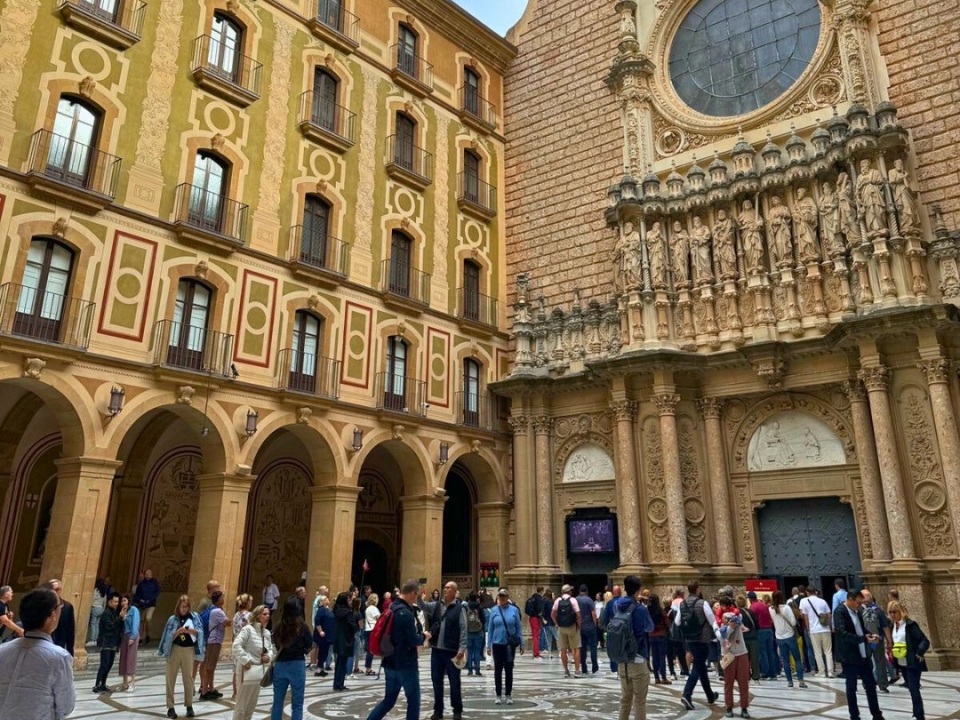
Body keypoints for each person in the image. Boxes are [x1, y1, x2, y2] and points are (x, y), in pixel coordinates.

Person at [0, 586, 75, 719]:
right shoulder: (59, 657)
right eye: (59, 606)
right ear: (52, 615)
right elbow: (66, 706)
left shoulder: (2, 650)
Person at [365, 579, 430, 720]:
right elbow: (413, 640)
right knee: (413, 700)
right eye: (416, 595)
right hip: (406, 663)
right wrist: (424, 636)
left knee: (388, 700)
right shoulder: (405, 613)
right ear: (412, 593)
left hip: (389, 662)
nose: (416, 599)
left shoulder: (392, 607)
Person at [836, 590, 884, 720]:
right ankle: (854, 715)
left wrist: (871, 635)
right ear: (850, 600)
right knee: (851, 687)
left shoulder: (857, 611)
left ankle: (877, 714)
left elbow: (861, 629)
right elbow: (842, 633)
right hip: (850, 656)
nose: (860, 605)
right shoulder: (840, 612)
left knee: (870, 685)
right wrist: (862, 639)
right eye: (858, 602)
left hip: (863, 655)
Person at [675, 581, 722, 711]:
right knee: (698, 665)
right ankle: (687, 694)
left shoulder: (682, 604)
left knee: (701, 667)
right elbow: (712, 620)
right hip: (702, 638)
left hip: (689, 638)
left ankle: (710, 695)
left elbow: (677, 622)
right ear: (697, 589)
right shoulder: (702, 603)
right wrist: (719, 635)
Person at [158, 594, 205, 719]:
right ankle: (170, 707)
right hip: (175, 649)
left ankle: (189, 705)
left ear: (189, 607)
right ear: (178, 607)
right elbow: (167, 637)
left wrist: (190, 631)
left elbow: (200, 633)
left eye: (185, 607)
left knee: (188, 679)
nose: (183, 609)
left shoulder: (194, 617)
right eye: (181, 607)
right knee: (170, 679)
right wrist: (177, 632)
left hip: (189, 649)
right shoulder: (172, 619)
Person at [429, 581, 467, 720]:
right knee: (436, 681)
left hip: (451, 650)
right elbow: (423, 606)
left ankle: (457, 710)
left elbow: (463, 629)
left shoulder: (460, 608)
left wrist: (462, 648)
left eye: (448, 588)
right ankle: (438, 710)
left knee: (454, 682)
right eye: (444, 587)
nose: (445, 589)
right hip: (436, 650)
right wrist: (419, 595)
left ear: (454, 591)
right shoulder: (437, 605)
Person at [271, 597, 312, 720]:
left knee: (277, 702)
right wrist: (303, 650)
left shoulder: (278, 626)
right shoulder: (302, 626)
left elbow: (277, 644)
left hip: (280, 664)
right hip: (297, 664)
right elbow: (309, 643)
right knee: (297, 704)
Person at [887, 600, 928, 720]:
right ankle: (917, 713)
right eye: (890, 612)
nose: (893, 614)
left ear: (901, 611)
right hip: (901, 662)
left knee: (914, 689)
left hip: (912, 661)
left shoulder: (910, 625)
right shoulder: (892, 626)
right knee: (911, 688)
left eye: (895, 612)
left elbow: (924, 640)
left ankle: (919, 715)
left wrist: (919, 652)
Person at [233, 604, 274, 720]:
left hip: (259, 672)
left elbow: (270, 649)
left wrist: (268, 657)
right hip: (246, 671)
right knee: (241, 706)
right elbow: (236, 646)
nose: (267, 616)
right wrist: (246, 660)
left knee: (251, 705)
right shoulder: (248, 630)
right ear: (257, 616)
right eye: (264, 614)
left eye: (268, 614)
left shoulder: (266, 633)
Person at [486, 588, 523, 704]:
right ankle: (498, 694)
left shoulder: (514, 610)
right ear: (498, 598)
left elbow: (518, 628)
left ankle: (508, 694)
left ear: (507, 598)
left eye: (504, 596)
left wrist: (521, 643)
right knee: (498, 670)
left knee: (508, 669)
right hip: (497, 644)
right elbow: (490, 629)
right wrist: (488, 645)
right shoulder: (494, 611)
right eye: (500, 596)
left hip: (509, 645)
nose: (502, 598)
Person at [718, 596, 750, 718]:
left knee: (743, 682)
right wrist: (729, 627)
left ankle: (744, 707)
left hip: (741, 652)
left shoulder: (737, 616)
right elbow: (721, 636)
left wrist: (734, 623)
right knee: (728, 681)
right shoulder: (718, 621)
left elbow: (741, 625)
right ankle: (729, 706)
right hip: (727, 653)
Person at [770, 591, 807, 688]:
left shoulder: (770, 609)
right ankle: (801, 681)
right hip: (790, 636)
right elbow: (793, 622)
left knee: (786, 660)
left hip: (779, 637)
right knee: (797, 658)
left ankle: (789, 681)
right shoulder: (786, 608)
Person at [200, 590, 230, 700]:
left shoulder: (213, 609)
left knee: (211, 666)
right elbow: (227, 622)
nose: (223, 599)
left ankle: (211, 689)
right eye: (222, 598)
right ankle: (204, 691)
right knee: (209, 667)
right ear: (218, 600)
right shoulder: (217, 611)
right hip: (214, 641)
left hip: (212, 641)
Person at [861, 590, 892, 692]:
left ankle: (866, 683)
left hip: (865, 641)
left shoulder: (859, 611)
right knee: (880, 662)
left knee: (866, 663)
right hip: (878, 640)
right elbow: (885, 627)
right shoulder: (878, 611)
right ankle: (883, 685)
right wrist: (889, 641)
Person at [799, 587, 833, 677]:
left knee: (817, 651)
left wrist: (808, 628)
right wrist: (829, 626)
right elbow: (829, 615)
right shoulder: (823, 601)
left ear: (807, 592)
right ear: (815, 592)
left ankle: (821, 672)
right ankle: (830, 671)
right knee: (828, 651)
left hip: (814, 630)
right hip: (825, 629)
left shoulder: (804, 601)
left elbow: (805, 616)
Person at [93, 591, 123, 694]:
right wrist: (120, 618)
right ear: (110, 602)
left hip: (113, 643)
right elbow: (109, 626)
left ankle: (103, 684)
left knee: (109, 665)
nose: (117, 604)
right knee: (104, 665)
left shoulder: (114, 613)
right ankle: (97, 685)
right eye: (115, 602)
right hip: (106, 643)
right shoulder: (106, 613)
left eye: (117, 602)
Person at [552, 583, 582, 678]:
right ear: (569, 592)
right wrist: (578, 625)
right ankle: (577, 671)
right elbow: (578, 614)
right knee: (576, 648)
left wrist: (556, 623)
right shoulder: (573, 600)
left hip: (561, 628)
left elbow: (552, 614)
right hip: (572, 627)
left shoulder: (557, 600)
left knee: (563, 649)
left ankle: (566, 670)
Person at [747, 592, 776, 680]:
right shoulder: (764, 605)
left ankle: (765, 672)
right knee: (770, 652)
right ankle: (773, 672)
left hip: (760, 630)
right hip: (769, 630)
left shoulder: (752, 607)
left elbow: (753, 621)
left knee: (762, 653)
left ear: (750, 599)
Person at [333, 591, 356, 690]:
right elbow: (352, 626)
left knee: (339, 662)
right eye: (349, 599)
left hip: (338, 639)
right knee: (342, 663)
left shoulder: (336, 611)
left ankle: (337, 683)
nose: (350, 601)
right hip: (346, 639)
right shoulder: (347, 613)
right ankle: (339, 684)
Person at [232, 594, 253, 699]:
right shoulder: (249, 616)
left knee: (236, 670)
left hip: (236, 645)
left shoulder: (236, 615)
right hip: (245, 646)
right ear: (248, 603)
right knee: (245, 669)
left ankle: (235, 693)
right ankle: (242, 694)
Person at [46, 580, 75, 657]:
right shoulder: (44, 605)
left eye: (57, 589)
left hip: (60, 643)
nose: (55, 592)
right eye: (53, 589)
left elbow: (70, 629)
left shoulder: (67, 606)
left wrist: (70, 651)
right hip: (46, 643)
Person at [735, 595, 760, 685]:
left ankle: (747, 676)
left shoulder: (736, 614)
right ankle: (756, 677)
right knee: (754, 658)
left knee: (745, 659)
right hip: (753, 637)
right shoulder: (750, 612)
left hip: (742, 638)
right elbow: (757, 624)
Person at [118, 594, 140, 692]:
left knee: (131, 658)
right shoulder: (122, 612)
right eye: (122, 601)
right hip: (124, 635)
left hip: (132, 634)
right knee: (123, 658)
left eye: (125, 600)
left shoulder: (134, 610)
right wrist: (121, 617)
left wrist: (133, 636)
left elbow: (135, 623)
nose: (123, 603)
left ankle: (132, 683)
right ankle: (125, 682)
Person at [576, 584, 599, 675]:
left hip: (580, 627)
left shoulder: (576, 600)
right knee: (593, 647)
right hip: (589, 626)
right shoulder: (589, 600)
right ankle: (595, 668)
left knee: (582, 648)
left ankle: (584, 668)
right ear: (587, 591)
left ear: (579, 591)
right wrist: (595, 624)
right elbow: (593, 613)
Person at [648, 593, 670, 684]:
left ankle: (656, 677)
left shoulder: (647, 611)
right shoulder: (661, 610)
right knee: (662, 656)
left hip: (651, 635)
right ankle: (663, 677)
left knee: (655, 656)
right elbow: (667, 622)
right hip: (661, 634)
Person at [134, 569, 160, 645]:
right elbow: (137, 594)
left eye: (150, 573)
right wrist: (140, 600)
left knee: (148, 618)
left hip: (151, 604)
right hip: (142, 605)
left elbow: (157, 592)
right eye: (147, 573)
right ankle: (140, 637)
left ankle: (148, 634)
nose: (148, 574)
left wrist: (150, 600)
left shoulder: (154, 582)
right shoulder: (141, 584)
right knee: (141, 621)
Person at [667, 589, 688, 679]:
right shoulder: (683, 602)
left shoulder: (672, 604)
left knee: (670, 654)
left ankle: (672, 673)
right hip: (679, 632)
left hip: (670, 633)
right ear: (682, 594)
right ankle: (685, 672)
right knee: (681, 653)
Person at [465, 592, 486, 676]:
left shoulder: (466, 607)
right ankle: (477, 669)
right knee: (477, 651)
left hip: (468, 632)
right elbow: (484, 620)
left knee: (469, 651)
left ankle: (470, 670)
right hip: (478, 632)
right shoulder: (479, 607)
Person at [314, 596, 335, 677]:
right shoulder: (321, 610)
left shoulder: (327, 609)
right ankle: (319, 669)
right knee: (322, 652)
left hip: (328, 635)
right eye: (326, 599)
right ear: (321, 601)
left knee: (325, 652)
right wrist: (320, 631)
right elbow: (317, 621)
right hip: (323, 635)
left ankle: (321, 669)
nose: (328, 599)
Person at [88, 577, 110, 646]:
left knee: (93, 623)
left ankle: (92, 639)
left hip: (95, 607)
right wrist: (103, 608)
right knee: (97, 624)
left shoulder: (96, 590)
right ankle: (95, 640)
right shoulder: (104, 592)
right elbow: (105, 601)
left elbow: (92, 599)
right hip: (101, 608)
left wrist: (90, 606)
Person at [524, 587, 544, 659]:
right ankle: (536, 653)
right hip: (536, 618)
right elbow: (540, 610)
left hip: (531, 618)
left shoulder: (531, 598)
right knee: (536, 636)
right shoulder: (539, 598)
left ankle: (536, 652)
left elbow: (526, 610)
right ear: (542, 591)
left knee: (534, 635)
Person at [364, 593, 381, 675]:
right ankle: (368, 668)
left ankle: (368, 667)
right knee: (371, 649)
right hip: (373, 629)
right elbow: (378, 618)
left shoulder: (367, 608)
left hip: (368, 629)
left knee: (369, 649)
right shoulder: (373, 608)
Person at [541, 589, 558, 660]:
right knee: (557, 637)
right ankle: (561, 652)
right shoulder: (550, 603)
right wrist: (556, 623)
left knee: (549, 639)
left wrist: (543, 619)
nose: (554, 596)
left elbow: (542, 612)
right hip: (551, 623)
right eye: (553, 595)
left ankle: (550, 653)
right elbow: (553, 613)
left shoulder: (543, 601)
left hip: (546, 623)